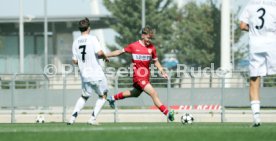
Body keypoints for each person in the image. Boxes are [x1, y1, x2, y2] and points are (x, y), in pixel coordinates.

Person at [106, 26, 175, 121]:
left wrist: (162, 71)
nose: (149, 41)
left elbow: (156, 61)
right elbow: (119, 52)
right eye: (148, 38)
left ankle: (112, 98)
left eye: (151, 39)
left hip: (146, 77)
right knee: (153, 93)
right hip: (138, 77)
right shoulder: (134, 46)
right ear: (143, 35)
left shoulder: (152, 48)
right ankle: (167, 113)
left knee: (135, 93)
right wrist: (104, 55)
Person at [239, 0, 276, 127]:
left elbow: (243, 25)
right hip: (272, 42)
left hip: (255, 44)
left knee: (254, 80)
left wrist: (254, 30)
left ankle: (256, 117)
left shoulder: (250, 5)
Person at [67, 17, 109, 125]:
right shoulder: (93, 38)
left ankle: (72, 118)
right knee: (103, 95)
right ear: (89, 28)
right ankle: (92, 118)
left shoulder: (75, 42)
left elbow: (74, 61)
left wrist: (83, 62)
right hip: (96, 73)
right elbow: (99, 53)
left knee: (84, 96)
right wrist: (105, 56)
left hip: (85, 75)